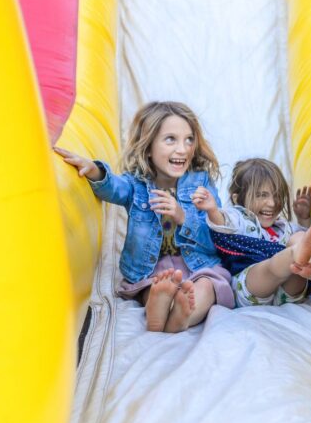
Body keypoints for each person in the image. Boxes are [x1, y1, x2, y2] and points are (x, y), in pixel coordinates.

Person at [53, 101, 234, 333]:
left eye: (189, 139)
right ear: (148, 147)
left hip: (198, 264)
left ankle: (181, 317)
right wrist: (94, 170)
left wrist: (182, 215)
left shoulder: (200, 183)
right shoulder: (137, 185)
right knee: (154, 288)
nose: (183, 148)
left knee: (209, 286)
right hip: (151, 268)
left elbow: (214, 236)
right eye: (171, 139)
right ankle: (158, 313)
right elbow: (114, 188)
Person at [192, 158, 311, 307]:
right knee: (274, 265)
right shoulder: (239, 218)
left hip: (288, 294)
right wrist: (212, 210)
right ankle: (294, 255)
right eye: (262, 195)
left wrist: (303, 219)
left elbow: (307, 242)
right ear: (237, 199)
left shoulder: (282, 227)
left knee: (301, 239)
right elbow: (223, 223)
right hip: (252, 288)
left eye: (277, 195)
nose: (272, 203)